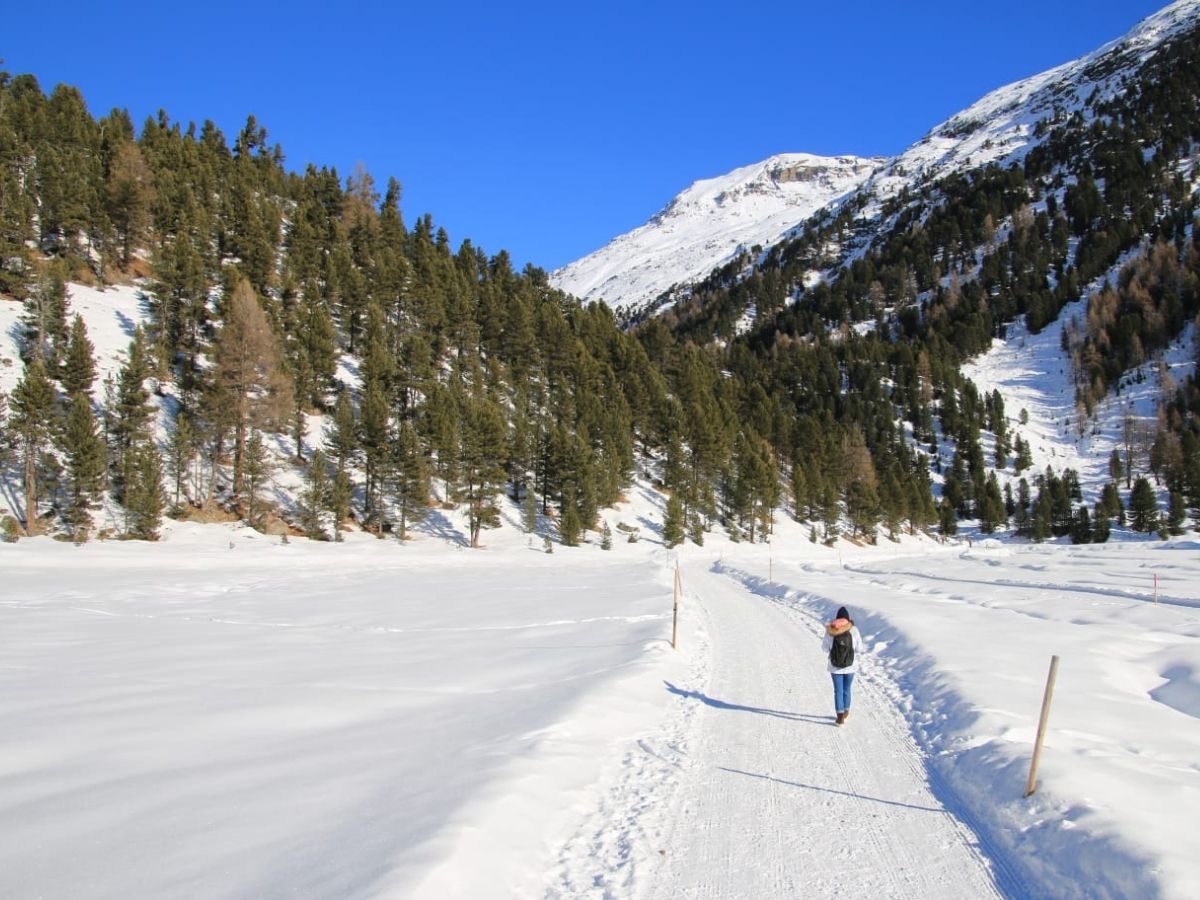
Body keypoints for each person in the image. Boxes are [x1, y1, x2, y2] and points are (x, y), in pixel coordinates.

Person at [821, 606, 863, 726]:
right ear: (848, 618)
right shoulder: (854, 630)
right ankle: (846, 712)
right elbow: (860, 648)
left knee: (838, 690)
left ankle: (840, 717)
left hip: (835, 667)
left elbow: (824, 648)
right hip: (851, 666)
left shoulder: (831, 630)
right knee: (847, 689)